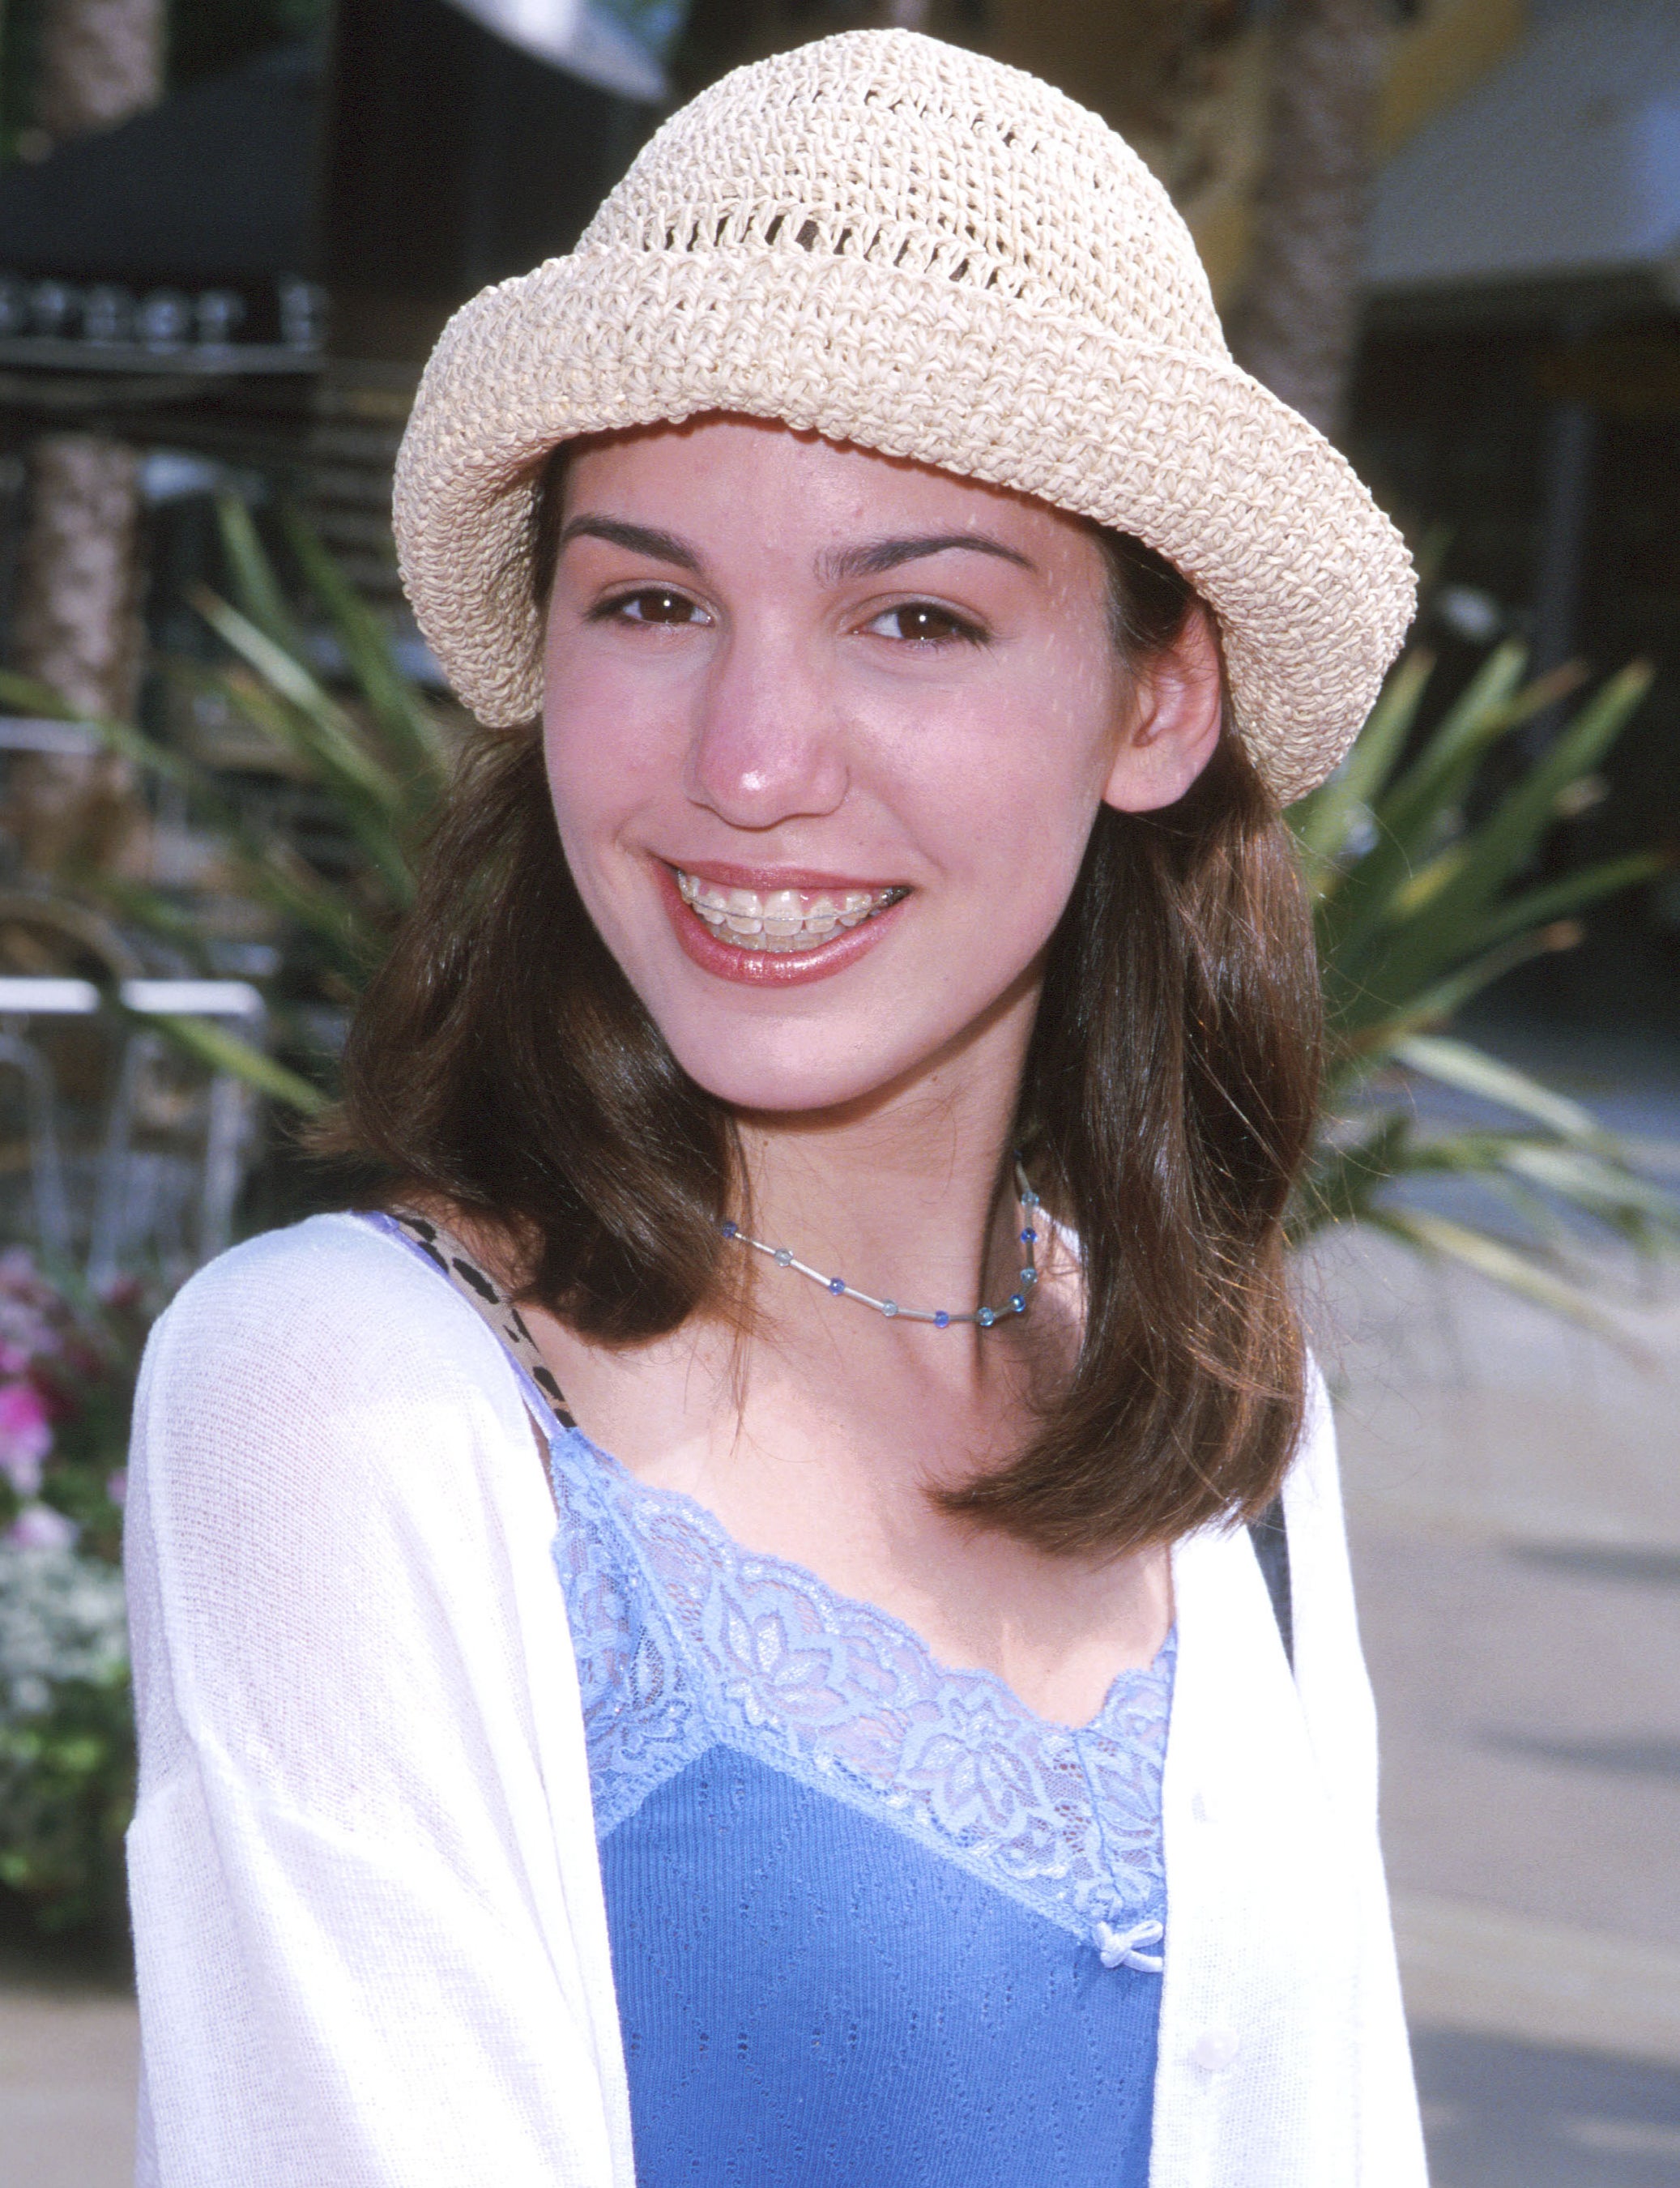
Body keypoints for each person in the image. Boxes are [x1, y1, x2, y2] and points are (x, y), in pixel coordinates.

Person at [124, 29, 1426, 2188]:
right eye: (648, 601)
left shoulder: (1233, 1428)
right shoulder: (355, 1400)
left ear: (1154, 699)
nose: (746, 760)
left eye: (912, 617)